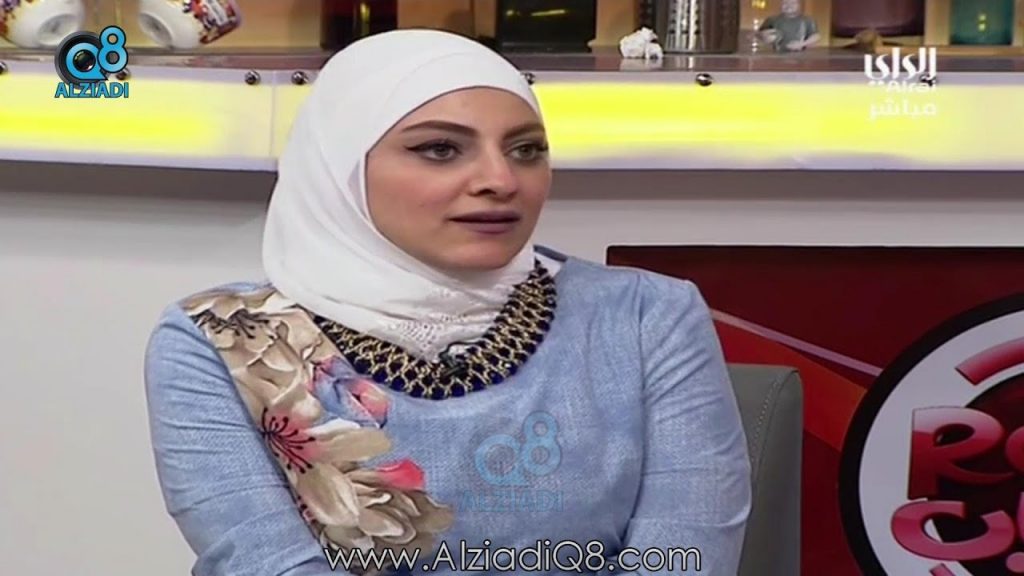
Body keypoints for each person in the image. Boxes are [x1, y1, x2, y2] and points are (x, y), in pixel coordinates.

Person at [144, 28, 751, 576]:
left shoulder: (649, 318)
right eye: (440, 149)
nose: (500, 181)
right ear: (342, 168)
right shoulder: (220, 342)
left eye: (525, 150)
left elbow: (684, 557)